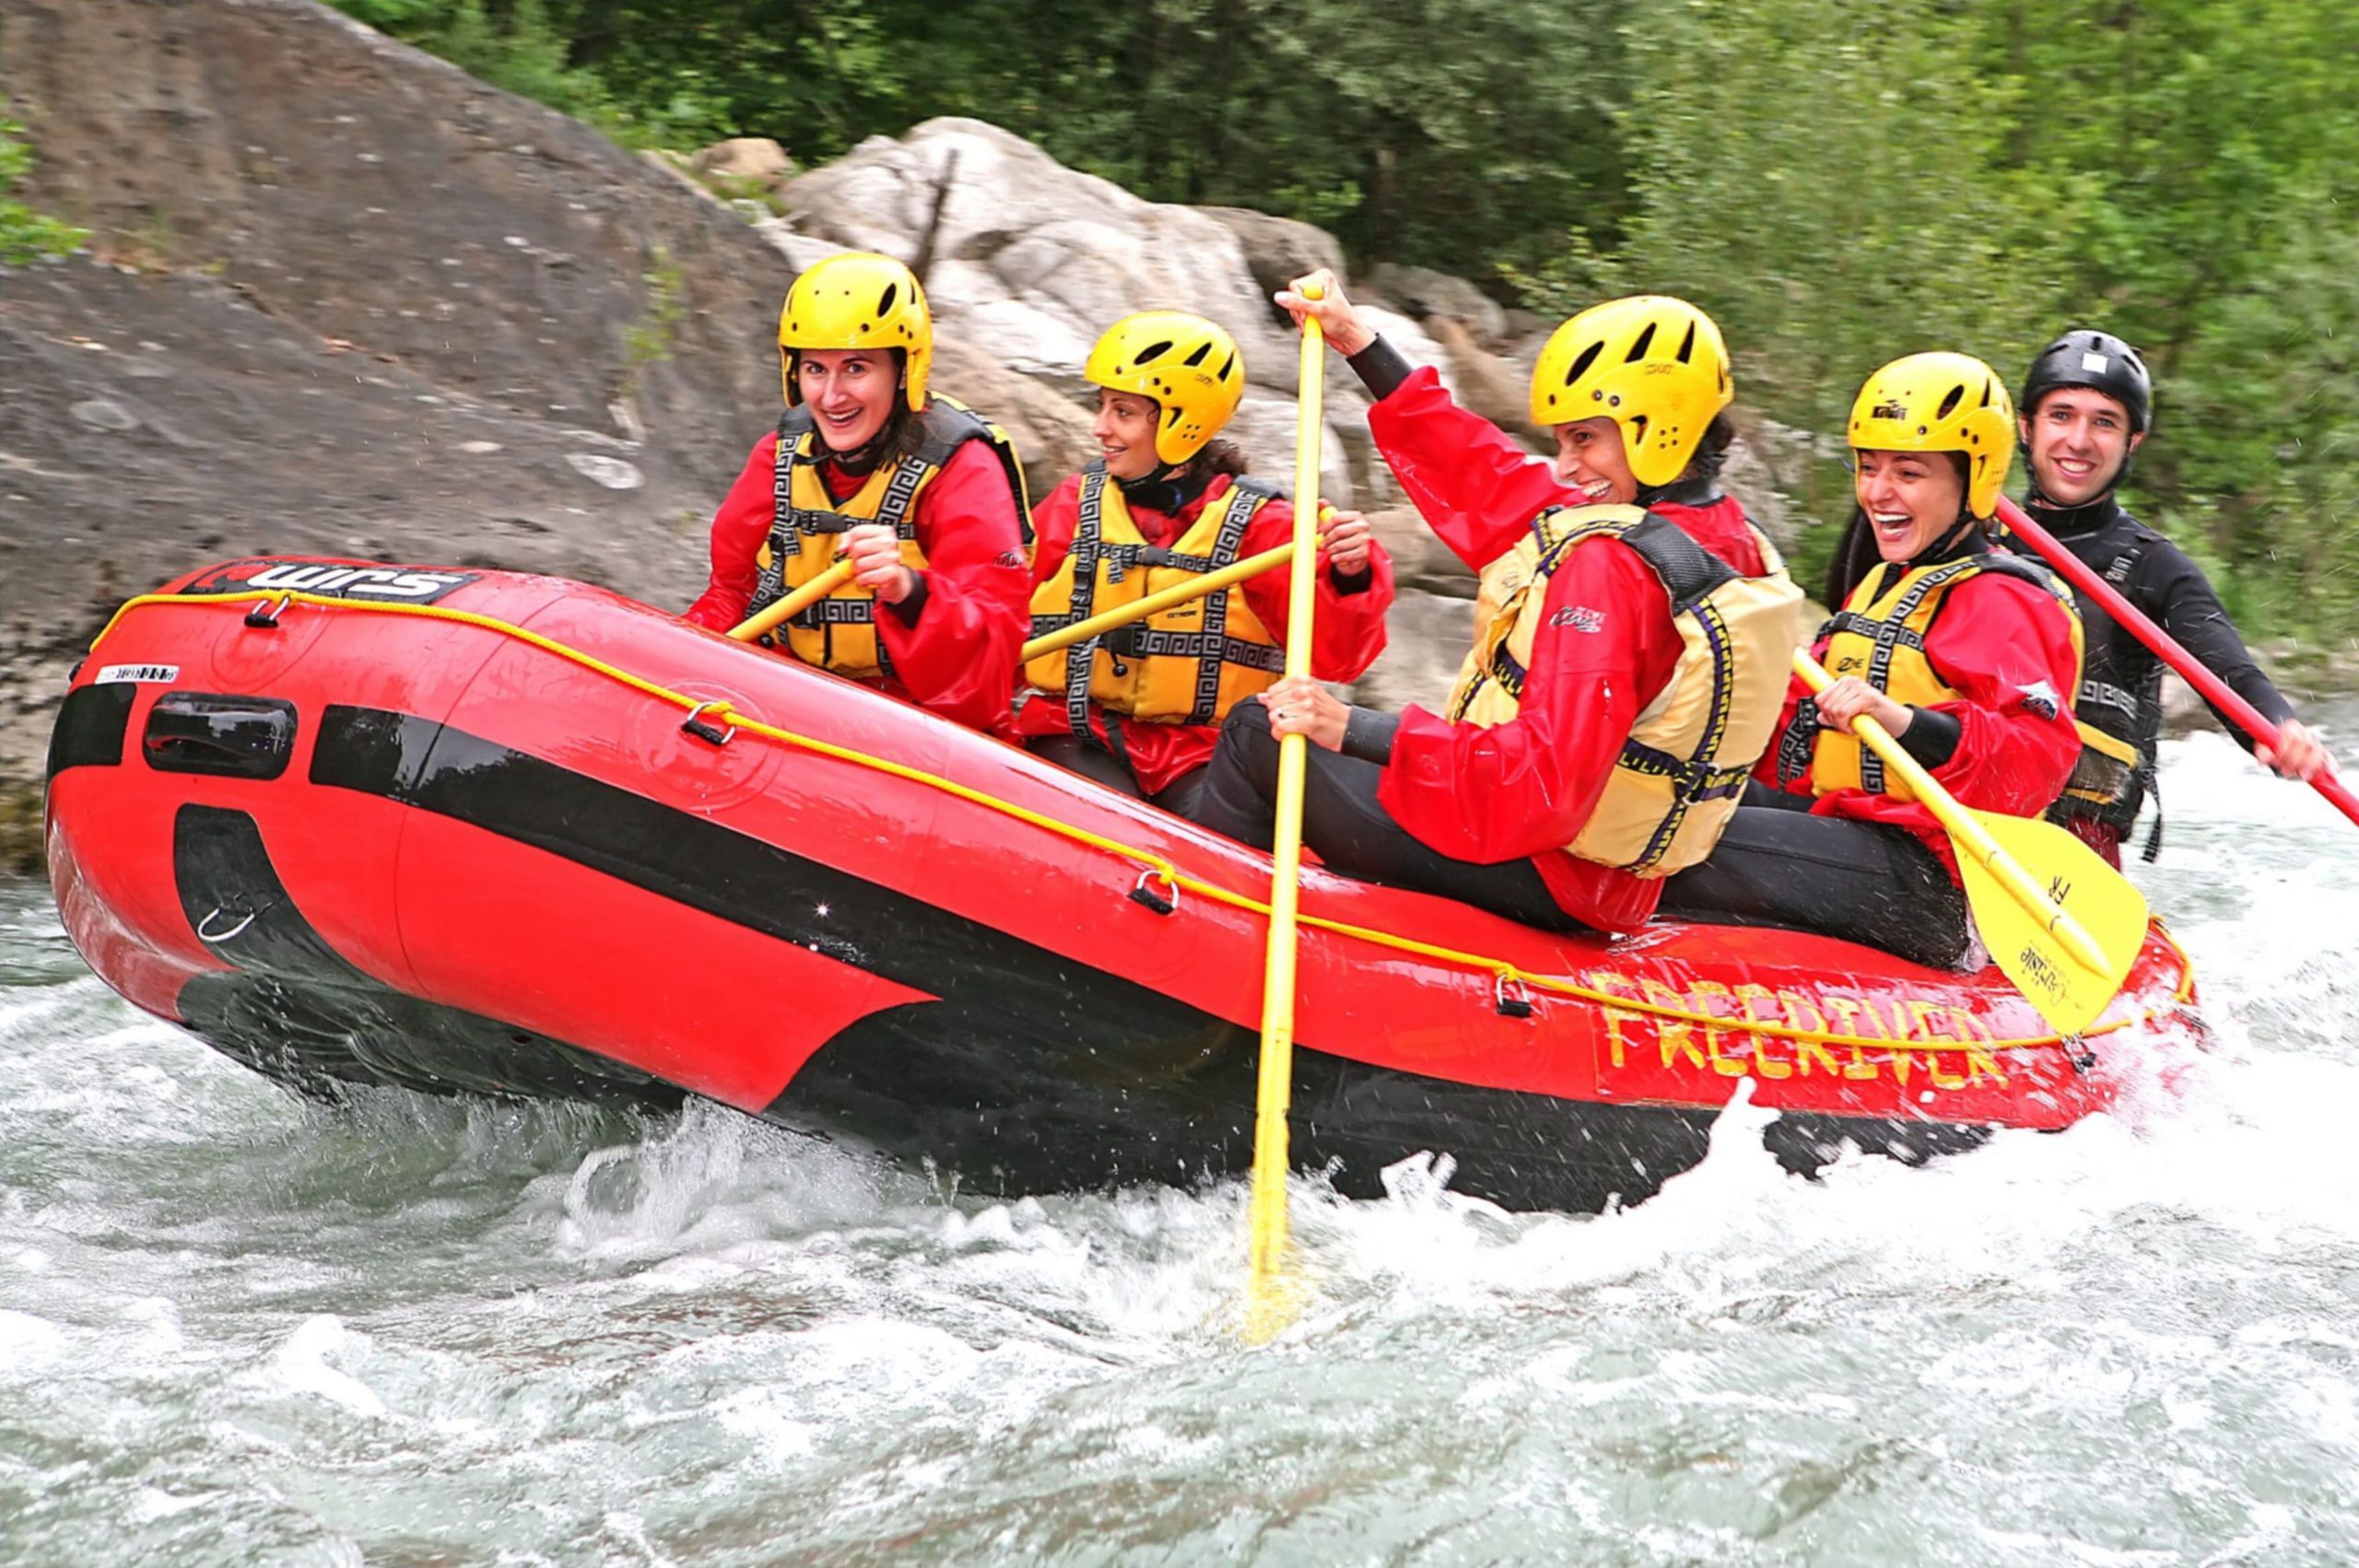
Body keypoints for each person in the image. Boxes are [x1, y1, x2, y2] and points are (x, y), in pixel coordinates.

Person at [1191, 276, 1804, 934]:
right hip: (1611, 877)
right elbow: (1488, 476)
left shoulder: (1610, 566)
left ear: (1659, 429)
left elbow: (1542, 780)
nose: (1567, 466)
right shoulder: (1725, 536)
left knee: (1262, 727)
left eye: (1584, 439)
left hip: (1536, 863)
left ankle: (1190, 934)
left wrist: (1352, 728)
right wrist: (1358, 341)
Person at [1658, 353, 2083, 968]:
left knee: (1675, 838)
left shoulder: (2006, 600)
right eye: (1868, 467)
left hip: (1934, 880)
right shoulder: (1885, 583)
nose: (1878, 492)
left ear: (1974, 478)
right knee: (1656, 802)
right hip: (1848, 828)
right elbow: (1794, 750)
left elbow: (2031, 765)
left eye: (1908, 473)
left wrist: (1906, 722)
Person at [1016, 311, 1394, 817]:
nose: (1099, 428)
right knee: (1099, 817)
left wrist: (1352, 576)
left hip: (1203, 755)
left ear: (1180, 421)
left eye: (1122, 412)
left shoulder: (1269, 528)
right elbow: (1001, 612)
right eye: (1102, 406)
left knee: (1212, 829)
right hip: (1079, 733)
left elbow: (1339, 659)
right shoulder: (1075, 504)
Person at [2008, 329, 2328, 865]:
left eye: (2104, 422)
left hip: (2068, 851)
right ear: (2026, 428)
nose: (2079, 440)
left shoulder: (2156, 568)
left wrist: (2282, 729)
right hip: (1943, 813)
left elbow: (2232, 675)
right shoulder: (1969, 532)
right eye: (2061, 415)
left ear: (2133, 442)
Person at [684, 252, 1033, 732]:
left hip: (908, 719)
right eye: (815, 370)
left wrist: (908, 590)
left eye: (855, 369)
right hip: (788, 687)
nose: (830, 397)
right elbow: (731, 592)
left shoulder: (963, 470)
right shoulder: (780, 455)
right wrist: (676, 659)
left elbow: (992, 662)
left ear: (903, 371)